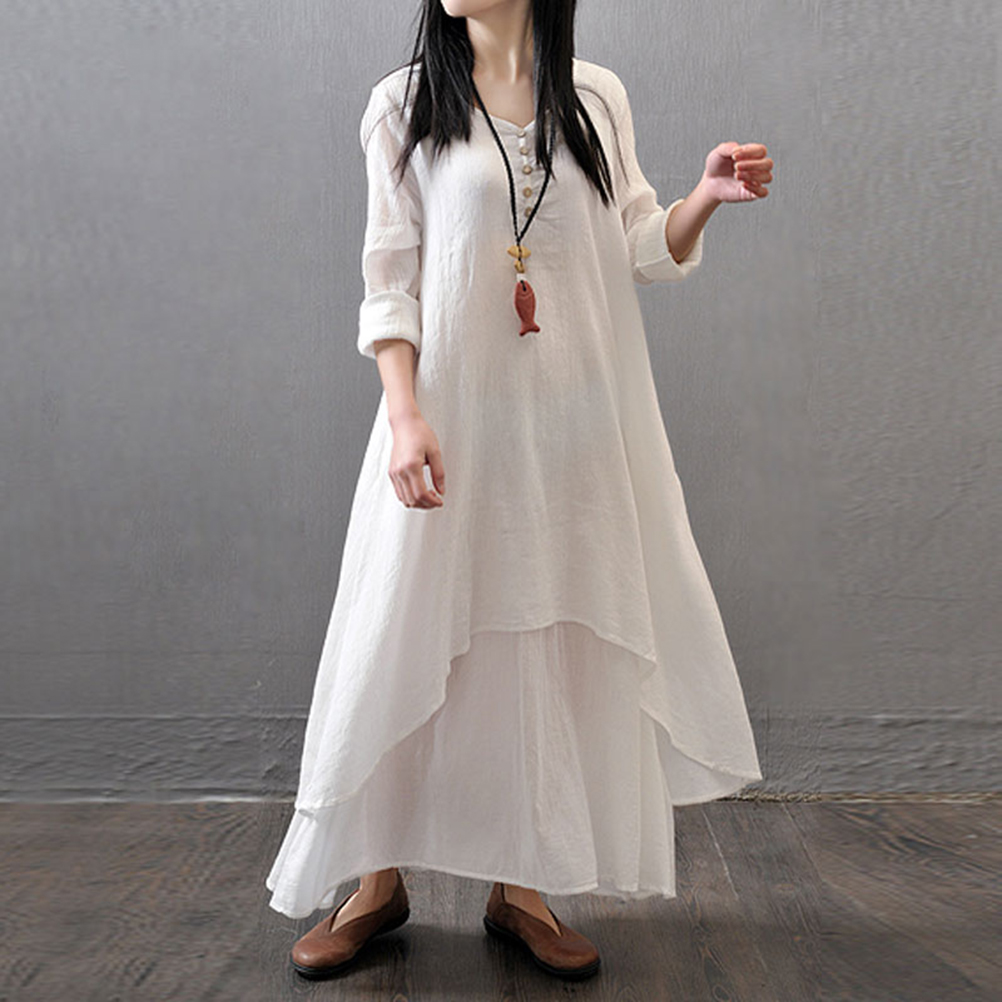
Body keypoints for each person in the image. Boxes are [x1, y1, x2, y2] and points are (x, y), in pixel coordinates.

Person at [266, 0, 772, 982]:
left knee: (540, 630)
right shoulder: (402, 106)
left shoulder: (595, 98)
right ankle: (375, 882)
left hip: (569, 430)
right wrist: (405, 416)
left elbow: (638, 244)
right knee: (402, 632)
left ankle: (523, 886)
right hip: (447, 423)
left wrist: (704, 197)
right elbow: (390, 280)